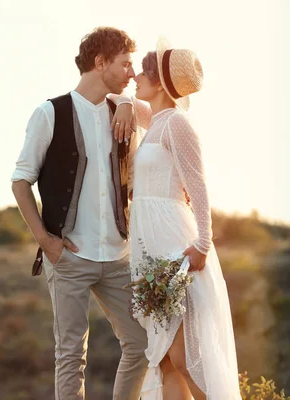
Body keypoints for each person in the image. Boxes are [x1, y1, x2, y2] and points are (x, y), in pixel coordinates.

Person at [11, 26, 148, 400]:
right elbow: (21, 181)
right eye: (125, 64)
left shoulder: (123, 114)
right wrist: (46, 241)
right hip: (69, 256)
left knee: (142, 343)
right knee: (71, 355)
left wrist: (126, 102)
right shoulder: (49, 113)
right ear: (100, 62)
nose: (132, 73)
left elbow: (134, 181)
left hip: (117, 256)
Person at [110, 38, 241, 399]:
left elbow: (198, 187)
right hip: (147, 243)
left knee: (183, 357)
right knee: (167, 360)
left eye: (144, 73)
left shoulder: (177, 124)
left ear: (160, 82)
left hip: (172, 242)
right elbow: (113, 98)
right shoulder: (155, 120)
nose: (135, 76)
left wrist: (203, 243)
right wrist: (123, 101)